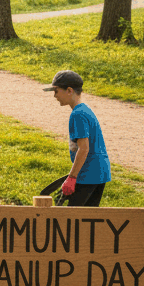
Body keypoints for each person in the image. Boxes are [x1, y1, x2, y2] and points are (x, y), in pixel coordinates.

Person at [43, 70, 111, 206]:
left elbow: (84, 148)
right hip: (100, 173)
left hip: (88, 174)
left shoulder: (77, 115)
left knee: (70, 219)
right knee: (87, 219)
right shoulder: (85, 110)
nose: (54, 96)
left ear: (69, 90)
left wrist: (72, 178)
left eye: (56, 91)